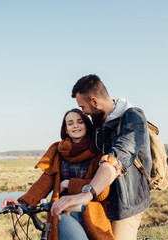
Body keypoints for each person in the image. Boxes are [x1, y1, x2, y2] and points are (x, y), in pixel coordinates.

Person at [51, 74, 152, 240]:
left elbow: (117, 158)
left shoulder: (133, 118)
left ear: (95, 102)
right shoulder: (99, 122)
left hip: (126, 205)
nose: (83, 112)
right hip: (102, 201)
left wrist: (87, 192)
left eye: (83, 107)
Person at [2, 108, 114, 240]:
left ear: (86, 125)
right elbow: (43, 183)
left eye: (80, 122)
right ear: (66, 129)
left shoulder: (98, 152)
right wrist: (21, 203)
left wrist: (69, 184)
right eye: (70, 123)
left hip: (92, 215)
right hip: (63, 212)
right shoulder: (58, 153)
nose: (75, 126)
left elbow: (102, 192)